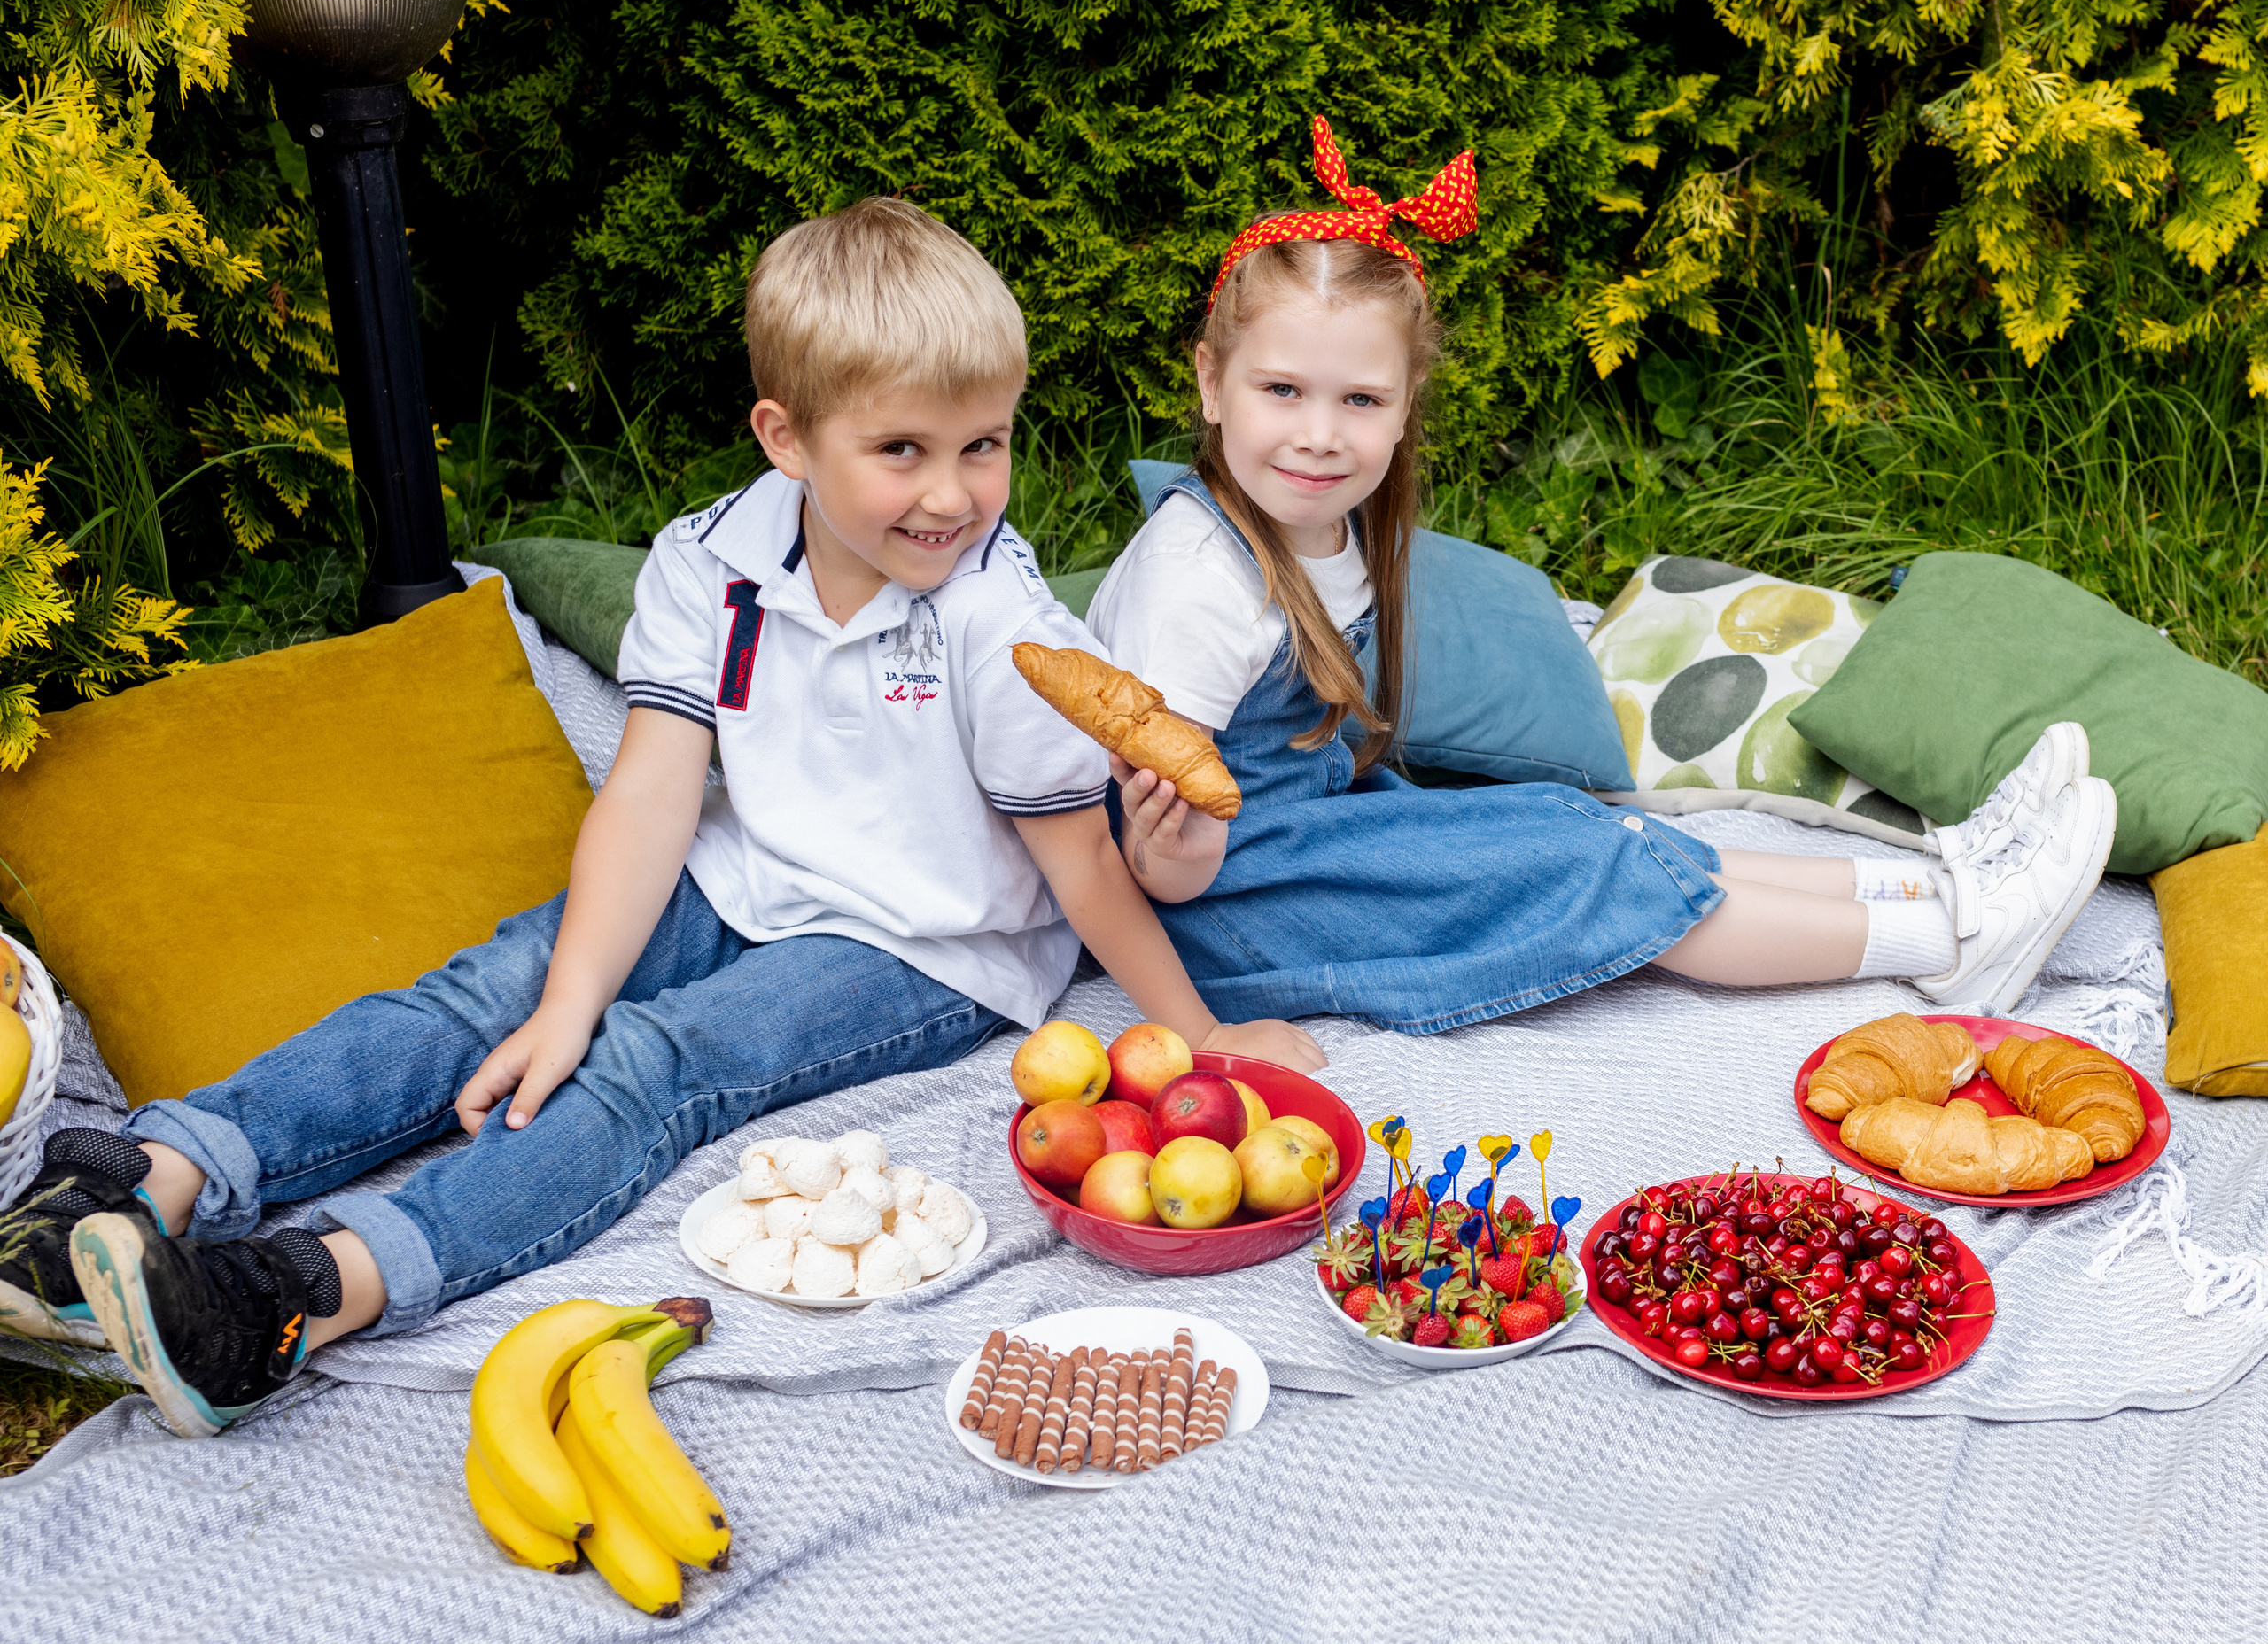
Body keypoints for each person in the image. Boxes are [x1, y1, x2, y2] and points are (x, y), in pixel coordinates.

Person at [0, 197, 1318, 1438]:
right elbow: (650, 787)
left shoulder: (995, 614)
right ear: (786, 438)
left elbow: (1076, 859)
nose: (954, 494)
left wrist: (1198, 1038)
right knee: (495, 988)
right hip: (743, 873)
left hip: (922, 942)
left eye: (985, 444)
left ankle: (293, 1298)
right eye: (901, 449)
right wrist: (565, 992)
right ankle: (148, 1183)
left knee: (655, 1062)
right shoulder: (716, 559)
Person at [1085, 116, 2117, 1038]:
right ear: (1211, 383)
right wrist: (1178, 855)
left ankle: (1938, 883)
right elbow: (1149, 863)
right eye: (1281, 389)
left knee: (1574, 824)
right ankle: (1948, 945)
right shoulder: (1197, 582)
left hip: (1310, 840)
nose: (1318, 435)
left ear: (1405, 409)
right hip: (1236, 908)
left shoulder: (1325, 529)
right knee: (1590, 876)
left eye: (1359, 400)